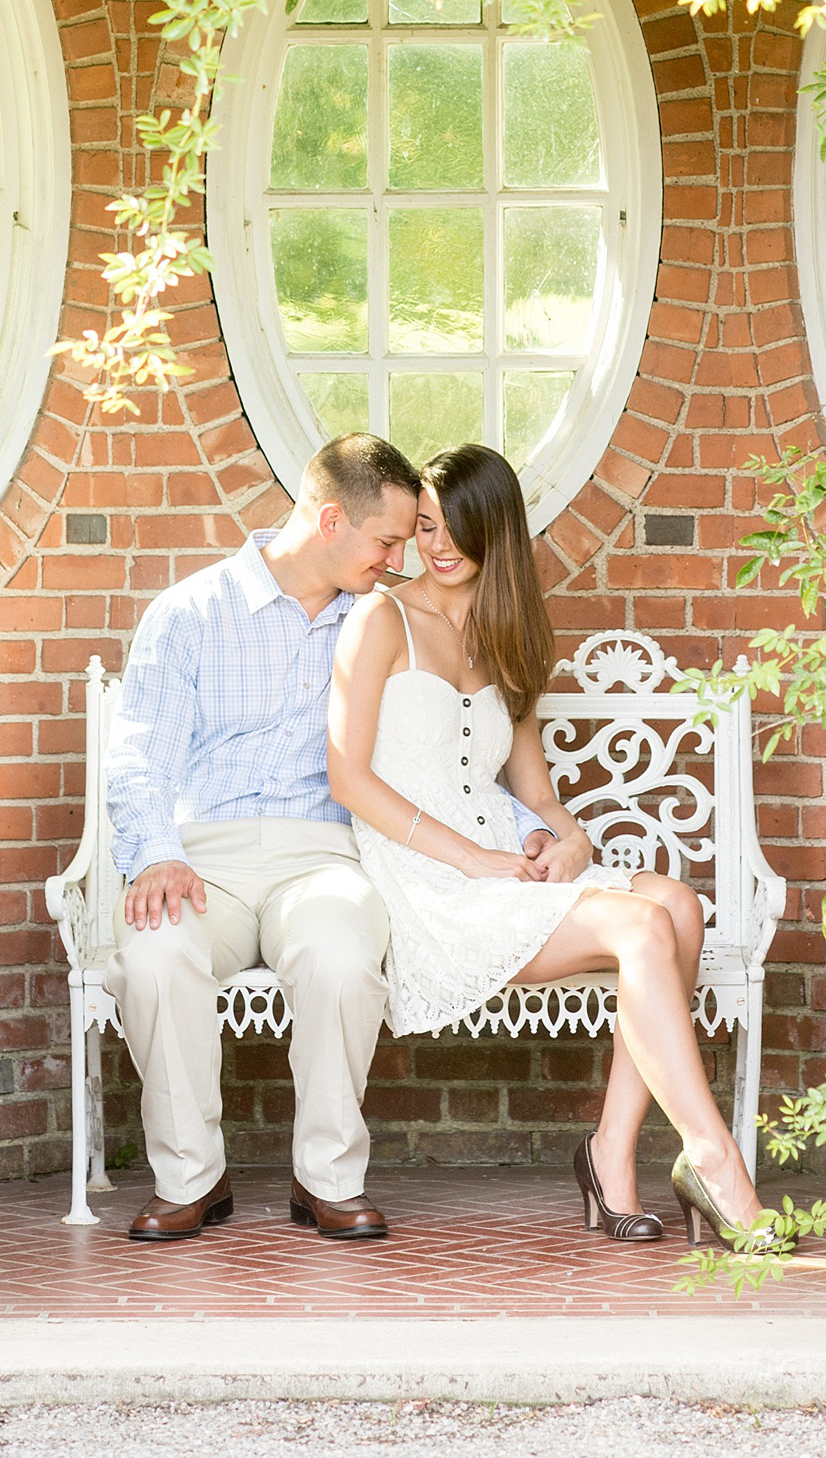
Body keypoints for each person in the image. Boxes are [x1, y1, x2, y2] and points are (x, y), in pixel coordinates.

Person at [103, 431, 557, 1245]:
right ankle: (190, 1181)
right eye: (387, 540)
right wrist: (153, 855)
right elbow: (138, 754)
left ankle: (327, 1180)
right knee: (156, 954)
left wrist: (535, 834)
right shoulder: (192, 613)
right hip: (202, 854)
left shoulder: (379, 618)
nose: (399, 558)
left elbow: (450, 760)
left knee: (343, 959)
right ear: (327, 521)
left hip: (325, 855)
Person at [328, 441, 771, 1246]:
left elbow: (537, 797)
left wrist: (568, 843)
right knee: (641, 924)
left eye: (456, 527)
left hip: (505, 864)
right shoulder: (381, 620)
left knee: (677, 904)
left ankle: (611, 1156)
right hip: (430, 884)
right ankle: (716, 1161)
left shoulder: (508, 635)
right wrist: (477, 862)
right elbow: (348, 778)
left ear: (497, 532)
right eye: (424, 526)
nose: (436, 545)